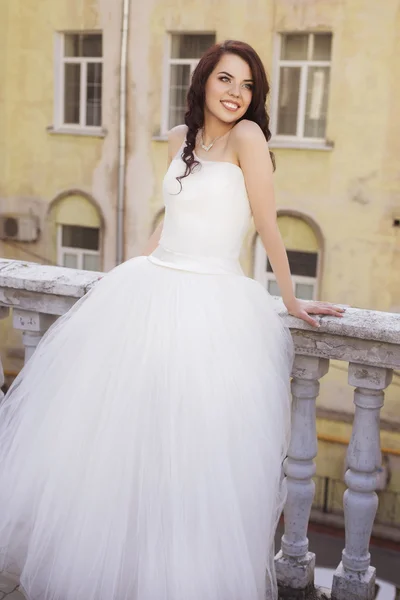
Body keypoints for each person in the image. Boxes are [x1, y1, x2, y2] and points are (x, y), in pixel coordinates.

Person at [0, 40, 345, 600]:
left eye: (248, 85)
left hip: (213, 304)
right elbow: (173, 214)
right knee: (127, 446)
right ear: (204, 81)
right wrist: (136, 266)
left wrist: (293, 297)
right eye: (226, 80)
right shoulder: (177, 139)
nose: (236, 94)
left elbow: (267, 223)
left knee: (192, 459)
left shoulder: (248, 139)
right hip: (153, 289)